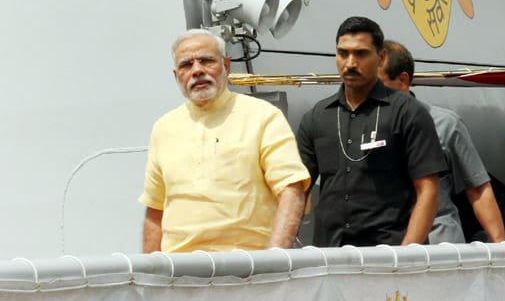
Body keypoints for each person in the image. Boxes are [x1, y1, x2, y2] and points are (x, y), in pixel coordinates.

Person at [139, 29, 310, 252]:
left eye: (206, 61)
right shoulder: (164, 127)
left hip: (248, 268)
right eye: (186, 65)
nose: (197, 70)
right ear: (176, 76)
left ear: (226, 66)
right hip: (181, 273)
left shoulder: (262, 116)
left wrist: (274, 259)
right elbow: (156, 209)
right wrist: (152, 277)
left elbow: (291, 188)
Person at [297, 17, 446, 247]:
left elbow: (428, 190)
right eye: (343, 53)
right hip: (331, 256)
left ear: (381, 57)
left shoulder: (408, 113)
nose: (350, 63)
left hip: (389, 255)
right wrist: (284, 250)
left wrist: (407, 256)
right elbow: (297, 191)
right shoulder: (317, 117)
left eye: (361, 53)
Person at [378, 40, 505, 243]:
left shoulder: (445, 124)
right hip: (388, 246)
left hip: (441, 249)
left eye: (378, 86)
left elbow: (478, 189)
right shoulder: (365, 128)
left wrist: (500, 248)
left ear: (403, 81)